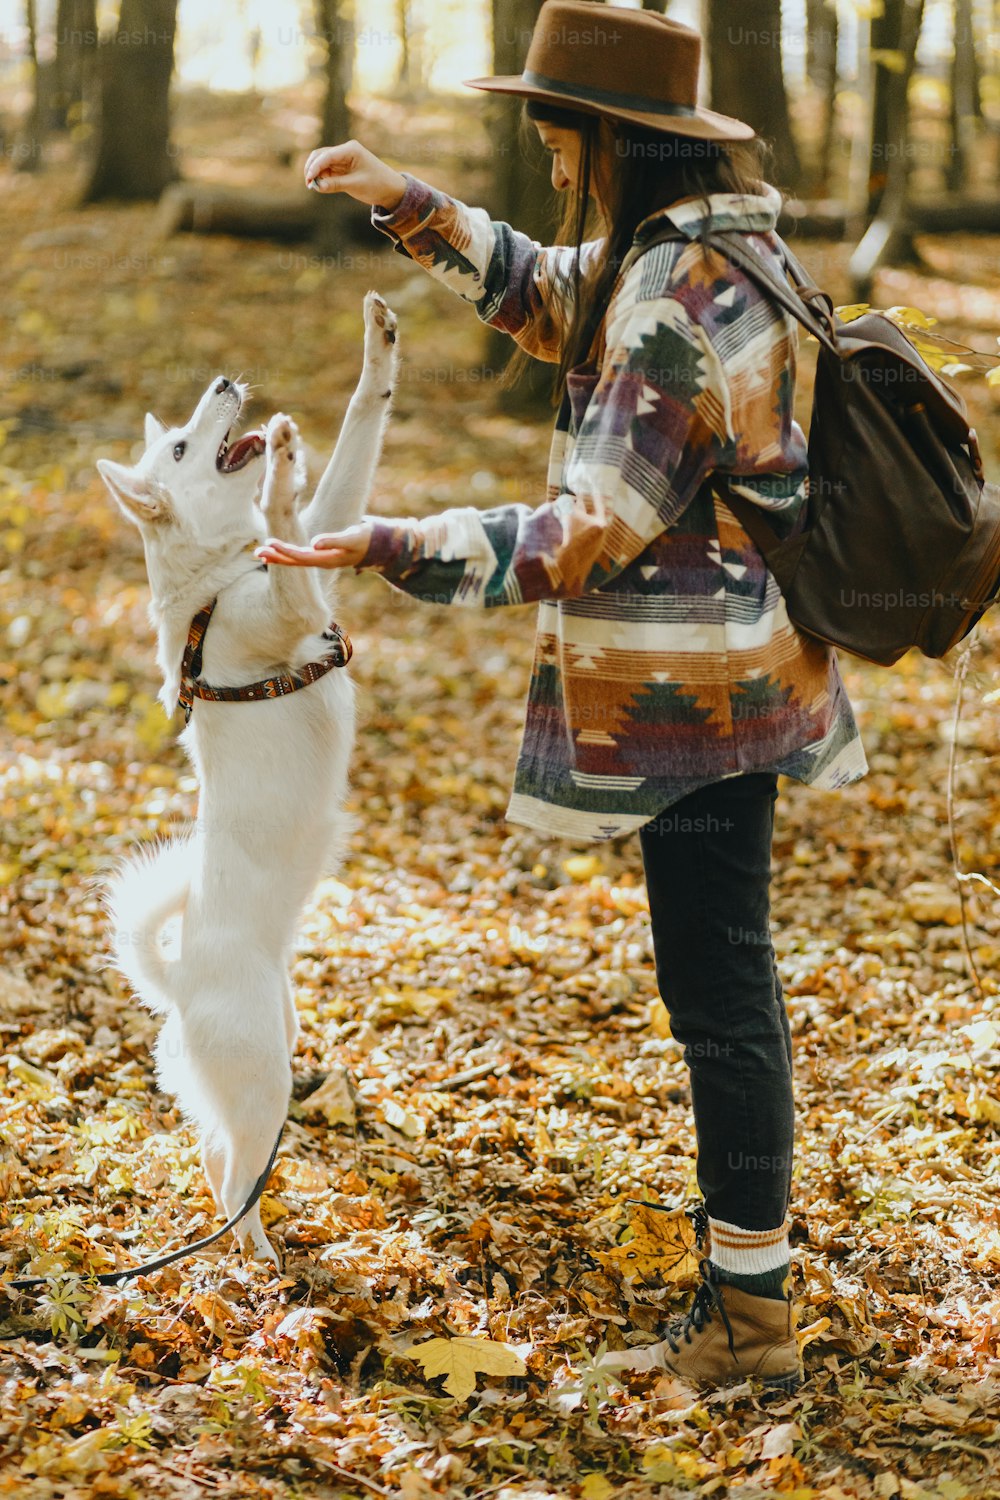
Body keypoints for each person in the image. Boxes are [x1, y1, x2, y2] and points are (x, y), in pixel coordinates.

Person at [258, 0, 868, 1393]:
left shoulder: (677, 302)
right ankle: (752, 1281)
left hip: (698, 702)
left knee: (719, 992)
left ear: (615, 143)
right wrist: (407, 201)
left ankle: (751, 1322)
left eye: (558, 142)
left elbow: (586, 524)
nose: (549, 169)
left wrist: (388, 545)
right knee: (726, 982)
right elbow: (551, 289)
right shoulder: (710, 253)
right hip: (737, 679)